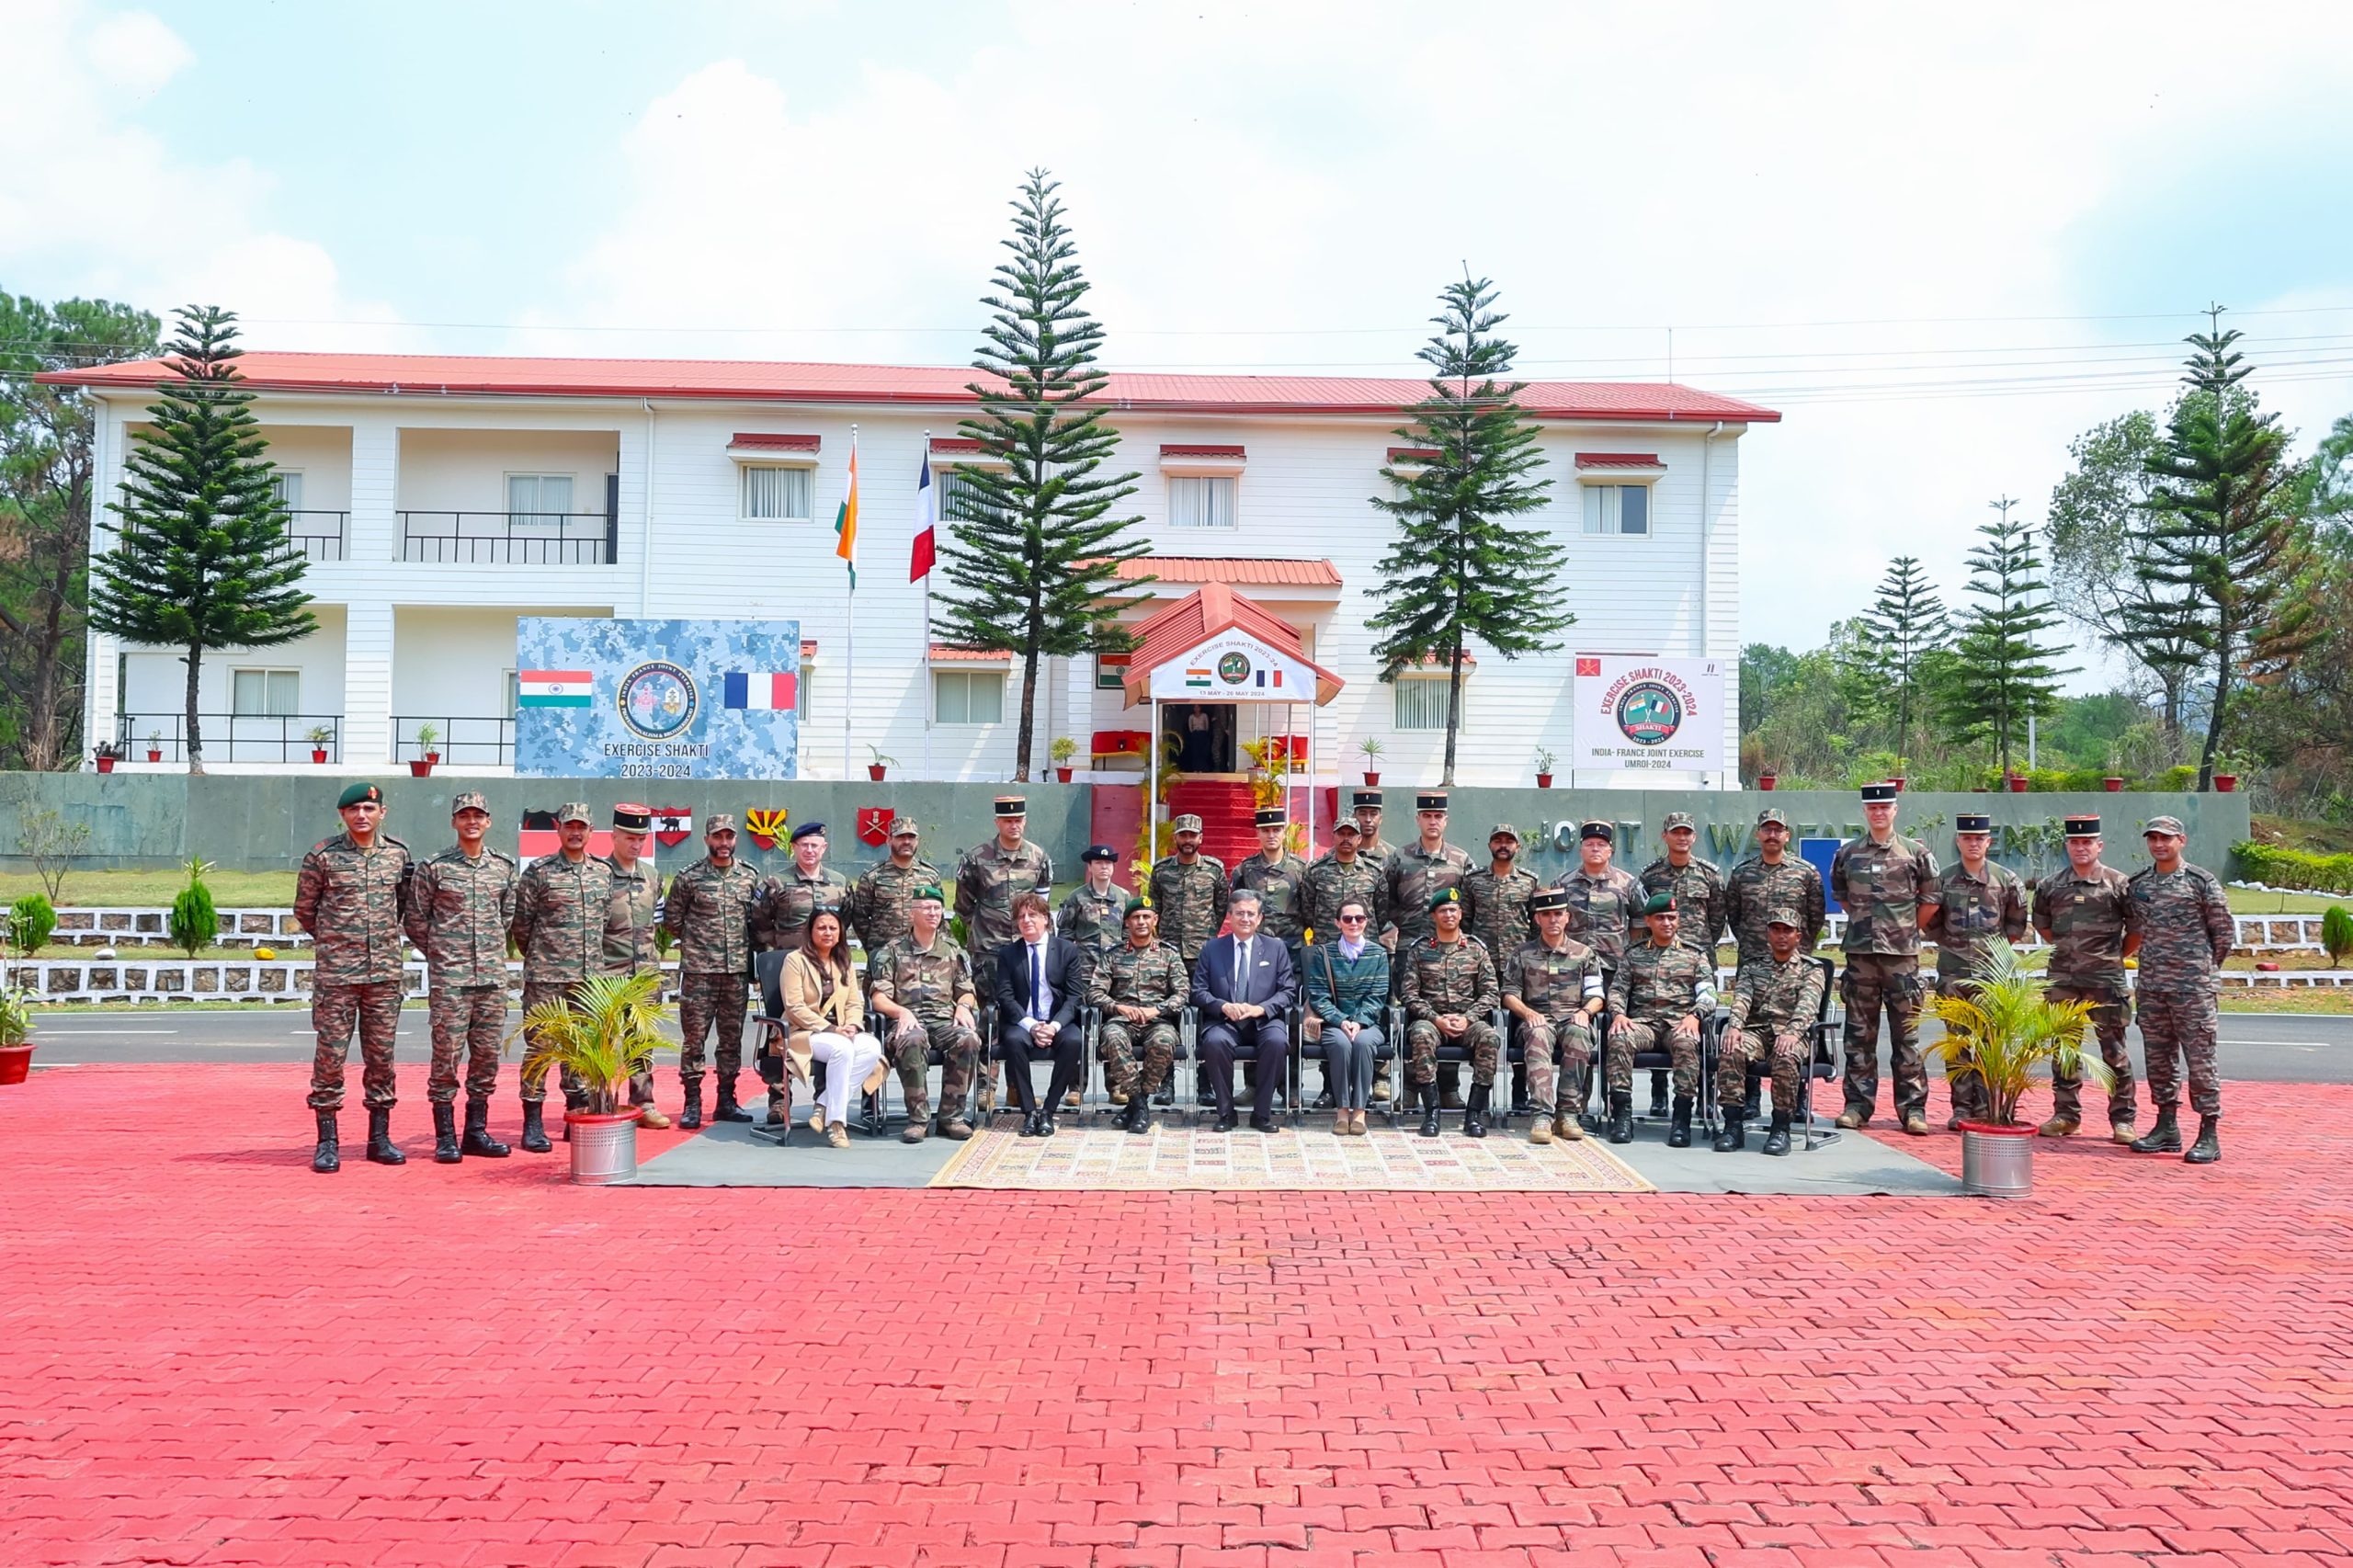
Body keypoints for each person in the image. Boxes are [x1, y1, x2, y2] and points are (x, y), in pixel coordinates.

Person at [295, 782, 415, 1173]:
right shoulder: (323, 857)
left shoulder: (398, 855)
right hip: (337, 976)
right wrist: (337, 942)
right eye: (353, 809)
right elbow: (305, 910)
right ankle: (327, 1140)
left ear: (383, 813)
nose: (361, 815)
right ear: (342, 816)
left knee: (382, 1059)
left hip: (383, 974)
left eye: (369, 808)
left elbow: (402, 905)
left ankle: (379, 1137)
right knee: (330, 1057)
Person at [404, 790, 517, 1165]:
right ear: (454, 821)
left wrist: (485, 950)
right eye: (464, 815)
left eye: (478, 815)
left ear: (488, 821)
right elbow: (416, 920)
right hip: (451, 978)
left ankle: (476, 1132)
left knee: (485, 1059)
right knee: (446, 1057)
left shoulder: (503, 866)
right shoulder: (434, 866)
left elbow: (507, 916)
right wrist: (443, 952)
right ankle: (446, 1136)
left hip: (490, 978)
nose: (471, 821)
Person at [510, 802, 630, 1153]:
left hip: (589, 979)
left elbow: (604, 921)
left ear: (592, 832)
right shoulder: (539, 872)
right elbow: (522, 925)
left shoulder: (603, 873)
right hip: (546, 977)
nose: (575, 832)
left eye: (582, 827)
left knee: (581, 1051)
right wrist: (544, 957)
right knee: (540, 1050)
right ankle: (532, 1124)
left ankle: (575, 1114)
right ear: (558, 831)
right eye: (569, 826)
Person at [2126, 815, 2235, 1165]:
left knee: (2200, 1061)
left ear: (2181, 841)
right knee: (2159, 1060)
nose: (2159, 844)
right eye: (2153, 838)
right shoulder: (2139, 884)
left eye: (2166, 838)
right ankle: (2166, 1126)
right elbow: (2136, 928)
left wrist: (2200, 970)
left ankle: (2208, 1132)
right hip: (2153, 986)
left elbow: (2223, 934)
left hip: (2192, 989)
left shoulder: (2201, 882)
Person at [1831, 782, 1938, 1135]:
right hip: (1861, 957)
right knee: (1859, 1037)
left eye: (1885, 807)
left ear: (1895, 810)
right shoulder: (1848, 855)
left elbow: (1931, 900)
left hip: (1902, 960)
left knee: (1906, 1038)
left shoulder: (1915, 854)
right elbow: (1844, 897)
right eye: (1872, 808)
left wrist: (1905, 931)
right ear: (1865, 812)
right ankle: (1857, 1106)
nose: (1879, 813)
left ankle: (1913, 1109)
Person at [2032, 813, 2139, 1143]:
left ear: (2099, 845)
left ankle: (2123, 1120)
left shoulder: (2119, 884)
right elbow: (2044, 926)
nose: (2081, 848)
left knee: (2114, 1052)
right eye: (2075, 843)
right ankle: (2066, 1115)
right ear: (2067, 845)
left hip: (2105, 979)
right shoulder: (2051, 885)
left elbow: (2135, 931)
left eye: (2087, 842)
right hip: (2063, 979)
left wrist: (2111, 957)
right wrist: (2070, 952)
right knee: (2064, 1049)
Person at [1917, 812, 2028, 1128]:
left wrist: (1990, 954)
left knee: (1990, 1043)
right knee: (1958, 1043)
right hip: (1953, 974)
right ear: (1958, 841)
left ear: (1988, 842)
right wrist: (1954, 946)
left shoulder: (2006, 881)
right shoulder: (1944, 880)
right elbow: (1932, 924)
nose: (1973, 843)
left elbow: (2016, 925)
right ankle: (1962, 1108)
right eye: (1967, 838)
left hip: (1992, 976)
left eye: (1979, 838)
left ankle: (1987, 1105)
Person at [659, 812, 761, 1130]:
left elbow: (756, 922)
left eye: (729, 837)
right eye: (717, 837)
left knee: (731, 1040)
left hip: (735, 974)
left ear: (735, 840)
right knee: (694, 1040)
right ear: (707, 840)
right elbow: (672, 920)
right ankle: (692, 1103)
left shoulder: (749, 876)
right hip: (699, 972)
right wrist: (698, 943)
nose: (724, 844)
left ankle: (726, 1101)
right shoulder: (689, 878)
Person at [955, 795, 1054, 1109]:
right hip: (989, 954)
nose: (1014, 825)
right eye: (1008, 820)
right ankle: (986, 1089)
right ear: (997, 822)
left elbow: (1041, 905)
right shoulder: (976, 859)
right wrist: (985, 931)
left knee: (1018, 1019)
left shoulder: (1038, 858)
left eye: (1019, 820)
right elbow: (963, 906)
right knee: (988, 1020)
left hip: (1025, 954)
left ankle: (1016, 1089)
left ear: (1024, 821)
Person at [869, 885, 982, 1143]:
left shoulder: (952, 950)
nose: (933, 914)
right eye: (926, 908)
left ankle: (951, 1118)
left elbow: (967, 991)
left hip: (943, 1021)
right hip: (907, 1023)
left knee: (969, 1039)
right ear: (912, 913)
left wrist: (963, 1006)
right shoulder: (893, 950)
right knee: (913, 1039)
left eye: (937, 908)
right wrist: (902, 1012)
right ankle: (918, 1120)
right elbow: (878, 998)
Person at [1604, 894, 1718, 1146]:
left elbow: (1709, 994)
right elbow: (1617, 990)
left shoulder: (1695, 955)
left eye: (1671, 917)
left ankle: (1681, 1119)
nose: (1666, 922)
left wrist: (1695, 1015)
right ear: (1648, 921)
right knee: (1620, 1039)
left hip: (1678, 1023)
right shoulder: (1634, 954)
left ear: (1678, 920)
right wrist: (1619, 1013)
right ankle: (1622, 1116)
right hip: (1642, 1024)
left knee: (1687, 1043)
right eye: (1660, 918)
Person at [770, 907, 885, 1149]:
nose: (828, 932)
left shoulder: (844, 961)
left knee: (872, 1047)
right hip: (803, 1032)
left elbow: (855, 1002)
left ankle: (823, 1105)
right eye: (821, 927)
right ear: (810, 931)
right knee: (842, 1049)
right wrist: (831, 1028)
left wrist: (853, 1024)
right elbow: (794, 1007)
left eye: (833, 928)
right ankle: (836, 1125)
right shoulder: (795, 961)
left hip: (842, 1031)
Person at [1717, 910, 1827, 1155]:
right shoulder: (1753, 966)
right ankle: (1732, 1125)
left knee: (1785, 1056)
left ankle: (1781, 1127)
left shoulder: (1811, 969)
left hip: (1793, 1034)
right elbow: (1742, 998)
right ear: (1768, 934)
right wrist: (1735, 1026)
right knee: (1731, 1048)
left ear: (1798, 936)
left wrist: (1792, 1032)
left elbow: (1807, 1007)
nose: (1781, 936)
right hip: (1757, 1032)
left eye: (1787, 930)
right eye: (1775, 930)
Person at [1388, 791, 1474, 1108]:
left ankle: (1449, 1088)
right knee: (1413, 1016)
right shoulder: (1400, 857)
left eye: (1438, 816)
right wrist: (1409, 925)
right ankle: (1410, 1089)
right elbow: (1387, 901)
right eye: (1427, 816)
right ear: (1418, 820)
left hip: (1450, 952)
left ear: (1446, 820)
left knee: (1451, 1009)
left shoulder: (1461, 860)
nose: (1433, 821)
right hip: (1409, 948)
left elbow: (1468, 905)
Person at [1637, 811, 1726, 1117]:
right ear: (1665, 837)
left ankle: (1706, 1094)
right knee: (1657, 1014)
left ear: (1694, 837)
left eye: (1687, 832)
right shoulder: (1650, 877)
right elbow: (1643, 916)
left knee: (1703, 1026)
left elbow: (1718, 920)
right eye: (1676, 832)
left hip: (1697, 960)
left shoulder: (1709, 874)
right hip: (1658, 958)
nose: (1682, 837)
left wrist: (1695, 950)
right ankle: (1660, 1092)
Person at [1501, 888, 1604, 1144]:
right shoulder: (1522, 953)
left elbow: (1597, 995)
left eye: (1558, 914)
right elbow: (1508, 993)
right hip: (1538, 1018)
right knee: (1537, 1034)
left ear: (1567, 917)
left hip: (1573, 1017)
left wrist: (1585, 1012)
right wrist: (1527, 1013)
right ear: (1537, 919)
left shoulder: (1584, 954)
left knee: (1580, 1034)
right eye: (1546, 915)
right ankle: (1542, 1116)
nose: (1553, 920)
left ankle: (1568, 1113)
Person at [1189, 887, 1295, 1132]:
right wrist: (1223, 1005)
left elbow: (1288, 990)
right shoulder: (1212, 949)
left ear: (1259, 918)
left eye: (1251, 914)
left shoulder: (1275, 948)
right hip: (1225, 1021)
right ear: (1230, 916)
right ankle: (1226, 1113)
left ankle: (1262, 1114)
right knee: (1214, 1043)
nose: (1245, 919)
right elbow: (1198, 991)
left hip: (1264, 1020)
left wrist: (1261, 1009)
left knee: (1278, 1042)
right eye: (1239, 913)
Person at [1301, 818, 1388, 1107]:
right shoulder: (1316, 872)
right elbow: (1307, 909)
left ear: (1360, 839)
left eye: (1353, 834)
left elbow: (1383, 910)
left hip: (1365, 957)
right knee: (1331, 1022)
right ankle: (1330, 1088)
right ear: (1333, 836)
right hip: (1329, 958)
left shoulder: (1375, 872)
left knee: (1365, 1019)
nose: (1347, 839)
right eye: (1342, 834)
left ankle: (1368, 1087)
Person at [1402, 885, 1501, 1138]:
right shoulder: (1420, 949)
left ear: (1461, 914)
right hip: (1432, 1021)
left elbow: (1491, 992)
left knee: (1489, 1037)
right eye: (1443, 910)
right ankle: (1432, 1113)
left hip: (1468, 1021)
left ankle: (1474, 1114)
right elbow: (1409, 995)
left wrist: (1468, 1018)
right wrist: (1436, 1018)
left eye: (1453, 910)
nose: (1449, 915)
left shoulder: (1476, 949)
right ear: (1433, 916)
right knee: (1421, 1035)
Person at [599, 802, 671, 1130]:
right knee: (601, 1042)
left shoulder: (653, 877)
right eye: (629, 837)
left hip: (643, 973)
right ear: (613, 836)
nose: (636, 844)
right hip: (607, 973)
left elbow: (658, 924)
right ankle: (600, 1102)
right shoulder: (598, 874)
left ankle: (643, 1103)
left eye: (641, 837)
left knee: (641, 1042)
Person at [1091, 900, 1188, 1136]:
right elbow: (1094, 992)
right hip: (1121, 1021)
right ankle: (1140, 1105)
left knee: (1164, 1041)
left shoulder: (1169, 955)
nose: (1141, 922)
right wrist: (1119, 1007)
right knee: (1113, 1038)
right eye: (1136, 917)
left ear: (1155, 920)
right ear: (1127, 922)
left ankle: (1135, 1104)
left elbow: (1183, 992)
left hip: (1157, 1021)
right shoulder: (1112, 955)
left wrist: (1158, 1009)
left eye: (1147, 917)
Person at [992, 892, 1086, 1137]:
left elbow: (1075, 996)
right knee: (1013, 1041)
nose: (1026, 920)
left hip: (1058, 1021)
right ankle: (1030, 1112)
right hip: (1022, 1022)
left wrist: (1053, 1026)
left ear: (1046, 919)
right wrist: (1031, 1026)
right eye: (1021, 916)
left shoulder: (1066, 951)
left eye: (1032, 915)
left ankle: (1049, 1111)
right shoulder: (1008, 954)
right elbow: (1005, 996)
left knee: (1074, 1041)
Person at [1464, 823, 1539, 1112]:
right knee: (1480, 1028)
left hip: (1517, 967)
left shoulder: (1529, 882)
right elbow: (1465, 922)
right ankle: (1480, 1094)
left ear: (1517, 847)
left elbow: (1536, 926)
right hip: (1480, 968)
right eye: (1498, 840)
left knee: (1522, 1028)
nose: (1503, 845)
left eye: (1509, 841)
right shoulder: (1473, 881)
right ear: (1490, 845)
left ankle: (1520, 1093)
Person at [1305, 897, 1387, 1136]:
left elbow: (1378, 995)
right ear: (1337, 923)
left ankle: (1360, 1110)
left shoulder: (1378, 954)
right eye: (1347, 918)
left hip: (1368, 1023)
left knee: (1363, 1044)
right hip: (1333, 1022)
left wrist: (1359, 1022)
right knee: (1340, 1045)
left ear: (1366, 922)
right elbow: (1318, 995)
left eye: (1359, 918)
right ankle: (1342, 1110)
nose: (1354, 923)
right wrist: (1341, 1020)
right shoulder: (1324, 953)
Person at [1723, 807, 1825, 971]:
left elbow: (1816, 919)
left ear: (1787, 836)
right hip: (1752, 960)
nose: (1772, 835)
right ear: (1757, 834)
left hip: (1795, 961)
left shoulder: (1806, 873)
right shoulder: (1742, 874)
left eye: (1778, 830)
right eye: (1766, 829)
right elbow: (1734, 917)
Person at [843, 816, 938, 960]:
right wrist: (873, 948)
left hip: (920, 957)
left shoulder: (930, 876)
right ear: (889, 840)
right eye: (900, 837)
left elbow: (939, 915)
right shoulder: (873, 876)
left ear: (917, 841)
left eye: (911, 837)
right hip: (883, 956)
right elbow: (859, 917)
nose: (906, 841)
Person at [1055, 844, 1131, 966]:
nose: (1104, 867)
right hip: (1085, 966)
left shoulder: (1124, 897)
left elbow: (1128, 931)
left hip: (1115, 965)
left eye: (1108, 863)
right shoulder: (1076, 897)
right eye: (1099, 862)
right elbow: (1065, 933)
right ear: (1089, 867)